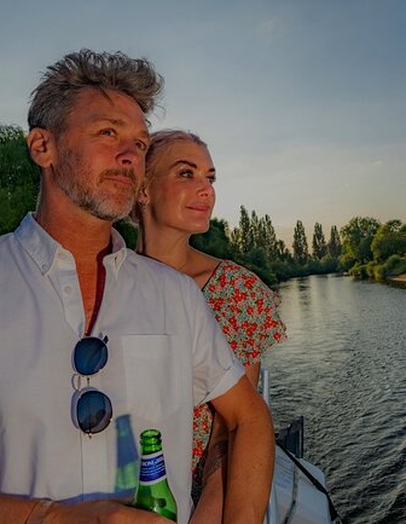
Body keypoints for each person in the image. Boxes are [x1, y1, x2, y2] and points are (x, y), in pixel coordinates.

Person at [0, 50, 274, 524]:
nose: (128, 156)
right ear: (43, 146)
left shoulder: (175, 296)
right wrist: (53, 519)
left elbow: (249, 417)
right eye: (107, 133)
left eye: (139, 144)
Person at [134, 129, 286, 521]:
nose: (207, 190)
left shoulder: (235, 291)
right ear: (143, 188)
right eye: (187, 174)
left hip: (196, 499)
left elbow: (231, 429)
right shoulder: (104, 283)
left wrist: (208, 512)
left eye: (210, 178)